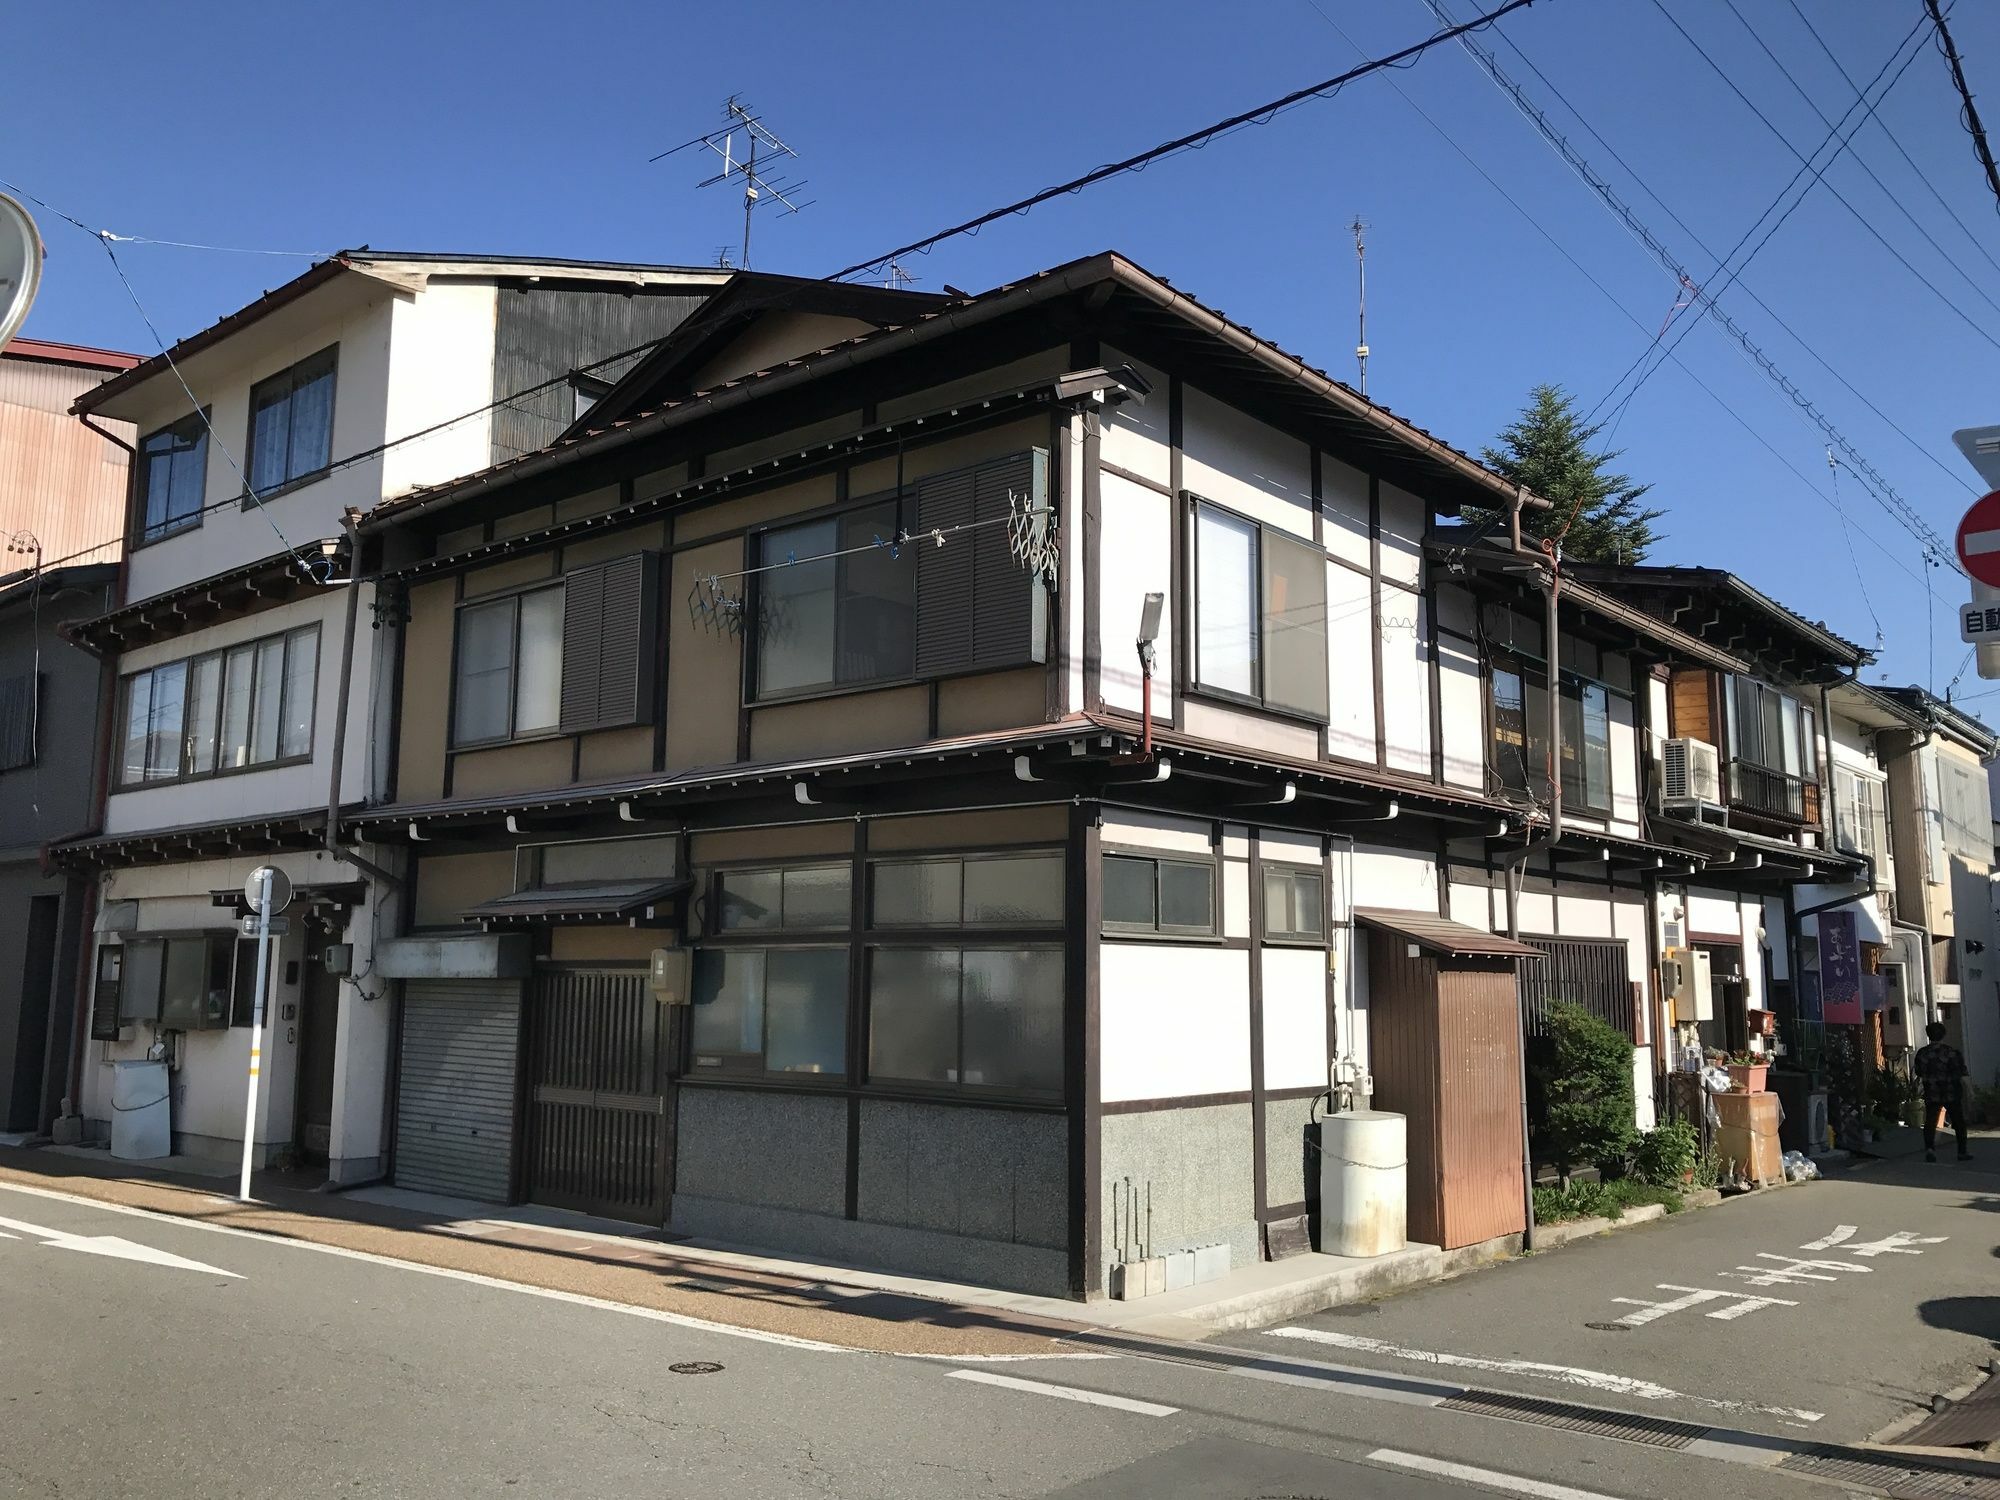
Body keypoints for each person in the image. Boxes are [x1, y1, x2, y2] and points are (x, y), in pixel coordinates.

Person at [1913, 1021, 1972, 1163]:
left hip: (1931, 1091)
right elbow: (1962, 1074)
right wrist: (1970, 1091)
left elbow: (1918, 1072)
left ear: (1928, 1035)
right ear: (1943, 1035)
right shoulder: (1951, 1052)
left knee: (1930, 1121)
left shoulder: (1922, 1053)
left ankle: (1930, 1149)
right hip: (1951, 1091)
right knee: (1958, 1122)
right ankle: (1962, 1152)